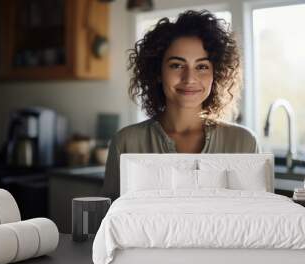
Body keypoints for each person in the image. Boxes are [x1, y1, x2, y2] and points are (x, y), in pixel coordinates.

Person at [104, 10, 259, 200]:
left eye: (201, 66)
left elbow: (256, 221)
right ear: (158, 72)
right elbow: (110, 220)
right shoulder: (125, 143)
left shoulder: (243, 143)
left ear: (215, 75)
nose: (189, 78)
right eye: (177, 65)